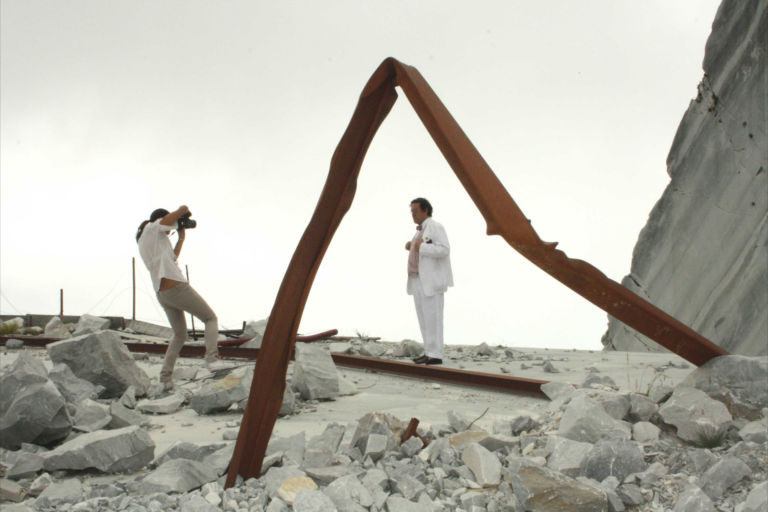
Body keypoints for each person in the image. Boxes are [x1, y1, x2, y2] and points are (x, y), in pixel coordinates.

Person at [136, 205, 228, 391]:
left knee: (179, 335)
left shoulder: (147, 239)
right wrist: (182, 214)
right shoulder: (153, 227)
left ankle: (165, 379)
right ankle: (212, 359)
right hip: (175, 286)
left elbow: (172, 258)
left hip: (163, 293)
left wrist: (181, 238)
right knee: (210, 318)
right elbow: (180, 210)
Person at [405, 197, 453, 365]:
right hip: (418, 279)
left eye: (415, 211)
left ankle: (436, 354)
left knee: (433, 317)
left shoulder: (435, 227)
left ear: (425, 210)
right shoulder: (420, 230)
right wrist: (411, 246)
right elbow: (420, 247)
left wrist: (420, 247)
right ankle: (428, 351)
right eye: (411, 211)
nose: (412, 214)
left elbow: (444, 249)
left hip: (431, 280)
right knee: (424, 317)